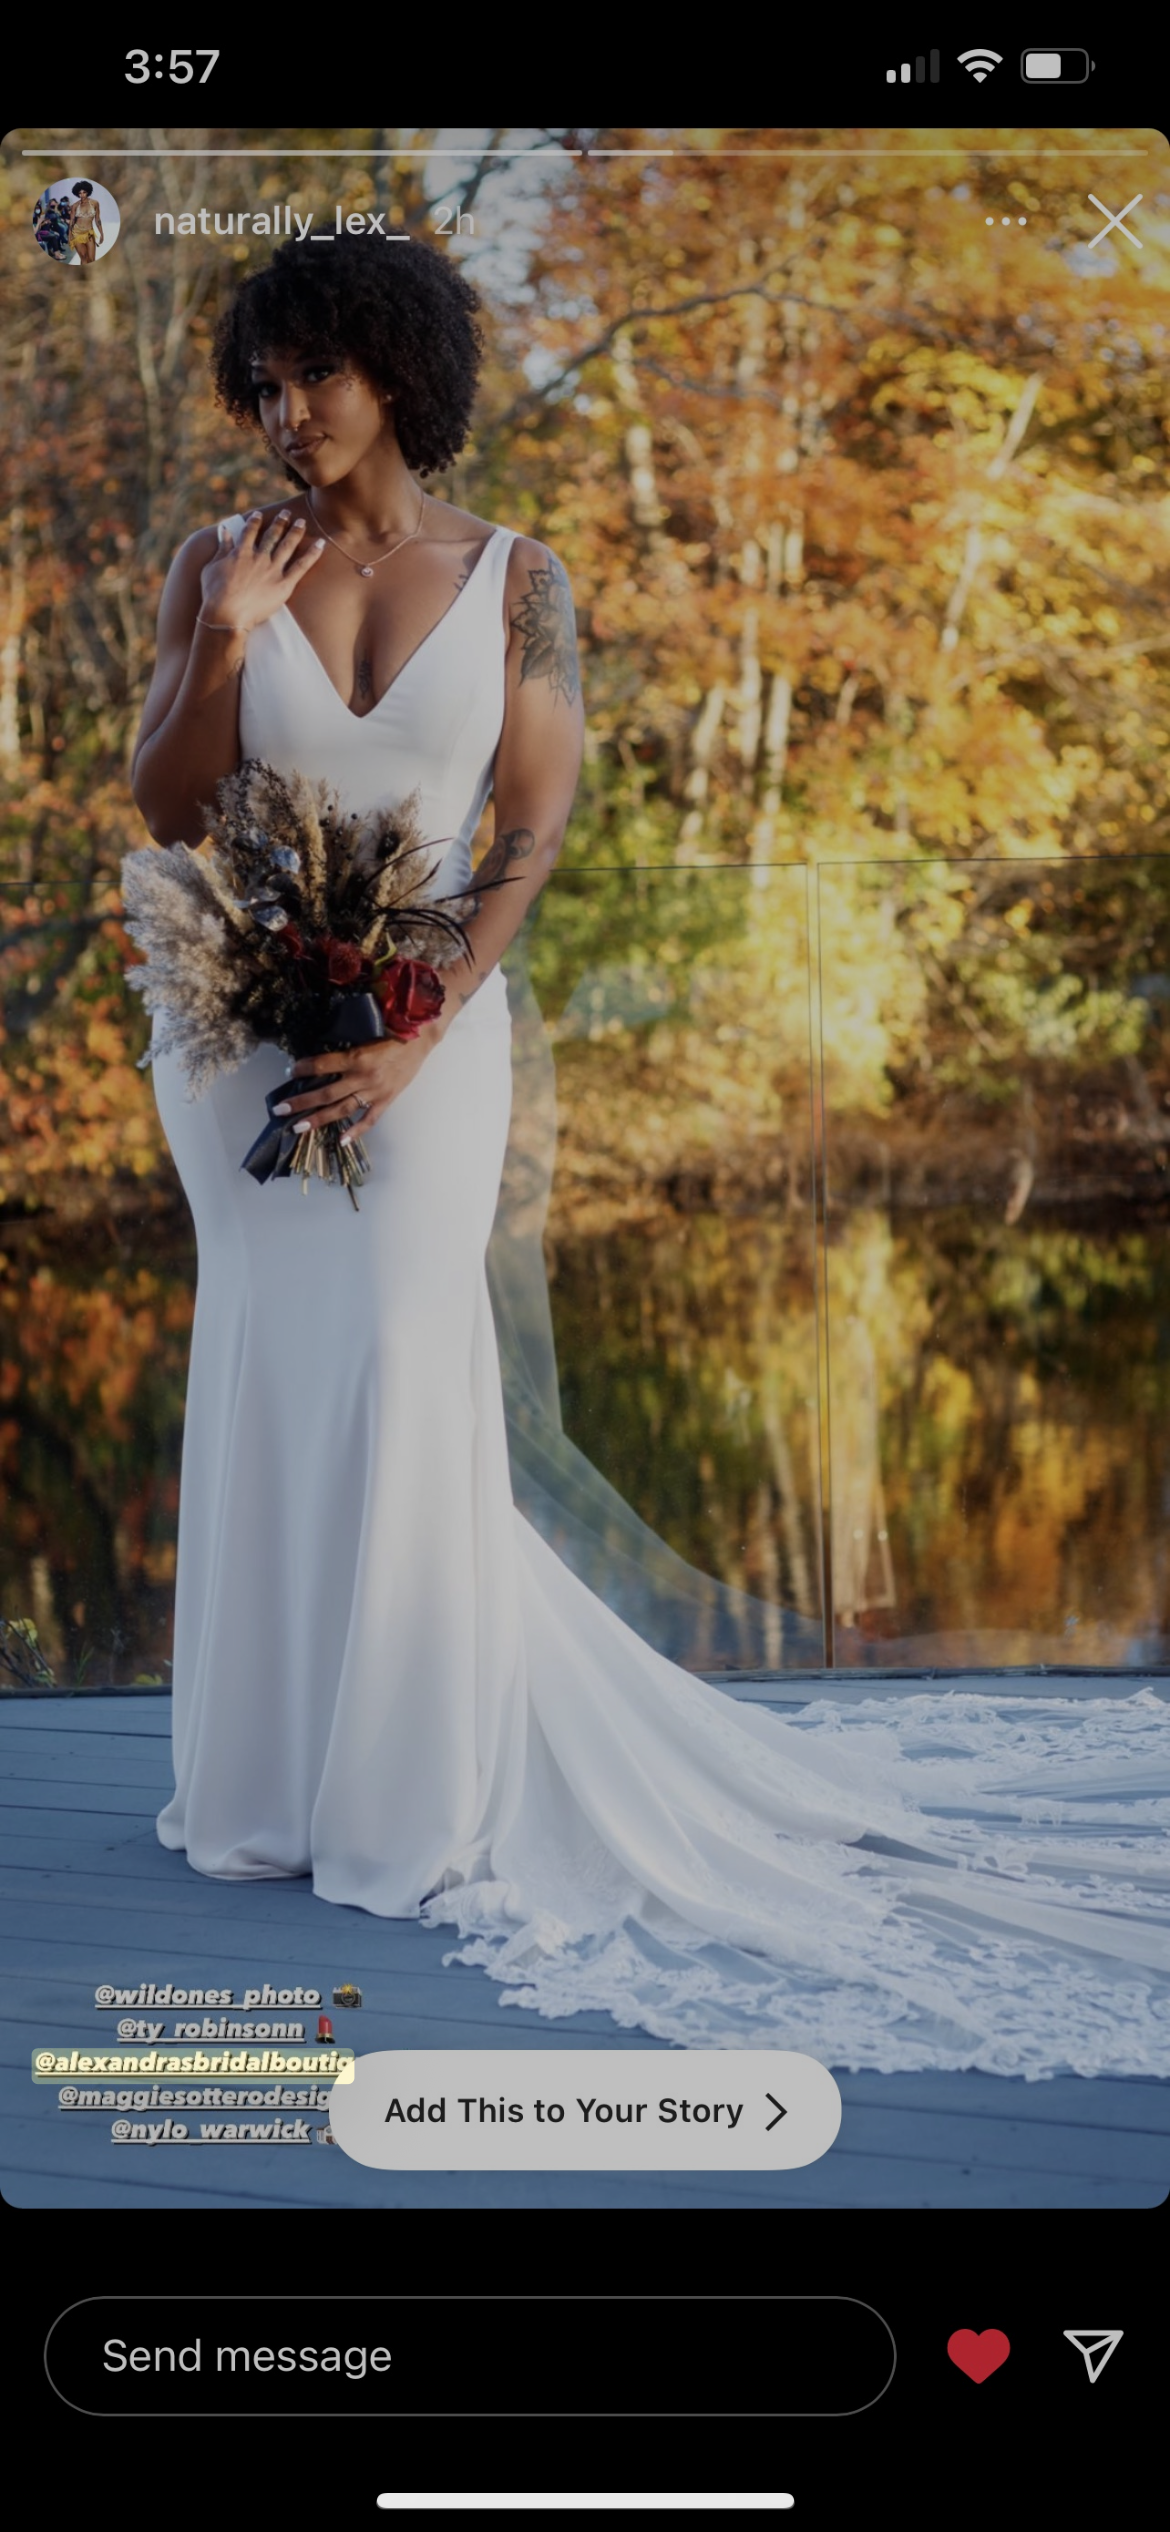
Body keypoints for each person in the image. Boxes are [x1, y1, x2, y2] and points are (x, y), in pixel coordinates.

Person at [129, 236, 1169, 2076]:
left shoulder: (520, 580)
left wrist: (424, 1025)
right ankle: (269, 1783)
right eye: (264, 388)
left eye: (317, 379)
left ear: (397, 371)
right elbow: (167, 799)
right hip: (245, 1037)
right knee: (276, 1370)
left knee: (406, 1356)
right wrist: (220, 646)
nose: (287, 417)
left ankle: (406, 1786)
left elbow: (526, 827)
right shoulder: (221, 562)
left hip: (432, 1037)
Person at [67, 181, 103, 264]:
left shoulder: (95, 203)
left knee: (91, 259)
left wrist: (101, 233)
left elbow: (97, 219)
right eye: (80, 193)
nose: (82, 195)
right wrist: (69, 236)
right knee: (83, 257)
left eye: (84, 192)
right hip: (76, 233)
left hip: (89, 233)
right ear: (77, 194)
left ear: (88, 192)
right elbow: (72, 221)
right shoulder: (75, 206)